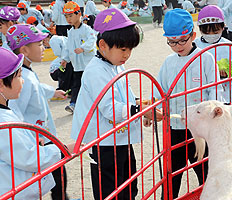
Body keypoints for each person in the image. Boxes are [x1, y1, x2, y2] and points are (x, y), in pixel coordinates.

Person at [70, 8, 162, 200]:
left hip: (120, 137)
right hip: (104, 141)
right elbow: (109, 108)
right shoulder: (95, 71)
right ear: (102, 45)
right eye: (123, 49)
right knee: (110, 189)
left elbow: (125, 97)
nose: (127, 54)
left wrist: (141, 106)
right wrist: (139, 110)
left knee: (129, 183)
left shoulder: (116, 65)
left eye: (130, 49)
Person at [153, 8, 221, 198]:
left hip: (200, 130)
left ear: (192, 34)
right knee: (171, 174)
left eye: (182, 40)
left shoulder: (206, 59)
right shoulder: (168, 62)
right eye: (172, 42)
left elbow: (215, 90)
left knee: (206, 172)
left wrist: (214, 110)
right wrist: (154, 108)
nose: (177, 46)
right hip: (175, 128)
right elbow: (159, 91)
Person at [6, 24, 70, 200]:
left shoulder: (25, 72)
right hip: (37, 138)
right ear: (25, 50)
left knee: (58, 173)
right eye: (40, 44)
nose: (44, 47)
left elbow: (37, 86)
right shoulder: (22, 78)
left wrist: (52, 92)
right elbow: (14, 112)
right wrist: (28, 137)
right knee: (57, 173)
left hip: (42, 135)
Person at [194, 5, 232, 104]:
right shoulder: (195, 45)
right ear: (199, 28)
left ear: (223, 27)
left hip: (224, 96)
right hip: (200, 96)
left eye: (215, 31)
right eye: (206, 32)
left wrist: (227, 74)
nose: (211, 35)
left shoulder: (229, 46)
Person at [61, 1, 97, 113]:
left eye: (71, 16)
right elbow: (68, 47)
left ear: (79, 14)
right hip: (77, 65)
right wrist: (65, 59)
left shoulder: (87, 29)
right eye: (66, 16)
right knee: (76, 84)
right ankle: (73, 104)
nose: (68, 19)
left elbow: (92, 40)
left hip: (87, 64)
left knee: (90, 84)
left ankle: (95, 103)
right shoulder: (70, 32)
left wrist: (83, 48)